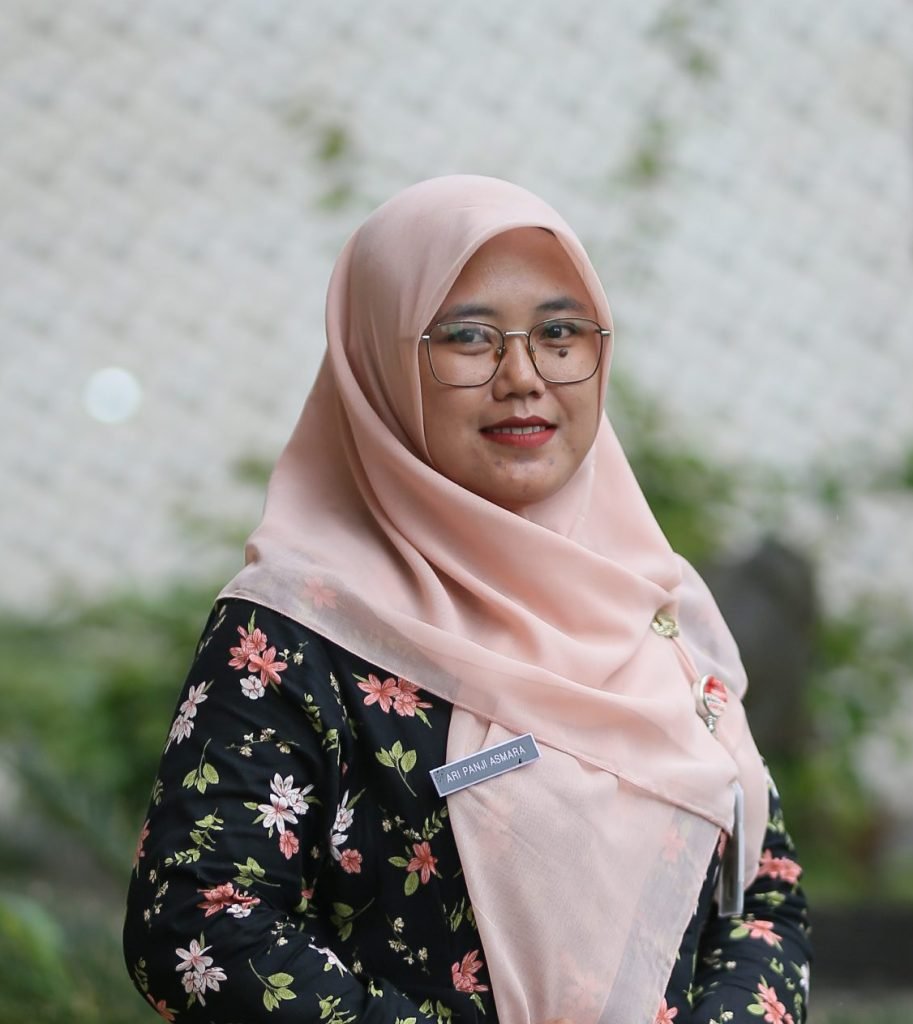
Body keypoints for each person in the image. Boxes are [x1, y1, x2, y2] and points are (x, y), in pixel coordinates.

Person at [123, 175, 811, 1024]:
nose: (522, 376)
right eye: (467, 338)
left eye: (559, 333)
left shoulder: (651, 604)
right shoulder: (294, 631)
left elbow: (762, 889)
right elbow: (201, 926)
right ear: (380, 360)